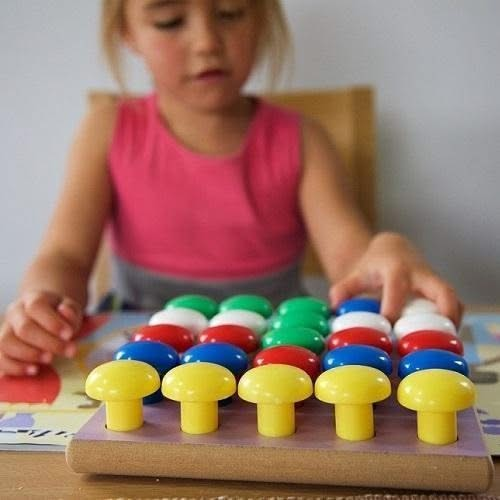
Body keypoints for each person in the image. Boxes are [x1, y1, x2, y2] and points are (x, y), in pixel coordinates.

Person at [0, 0, 462, 377]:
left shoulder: (303, 139)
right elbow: (65, 257)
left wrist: (387, 247)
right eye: (169, 20)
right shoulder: (106, 130)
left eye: (230, 13)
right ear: (128, 34)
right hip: (138, 358)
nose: (206, 43)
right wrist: (39, 305)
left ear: (261, 18)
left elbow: (352, 264)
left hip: (277, 355)